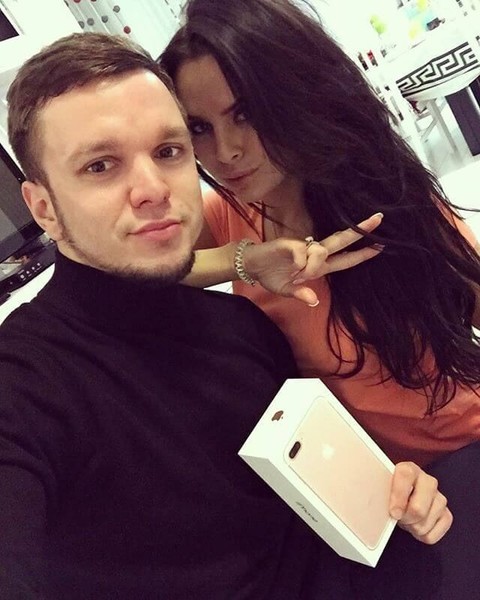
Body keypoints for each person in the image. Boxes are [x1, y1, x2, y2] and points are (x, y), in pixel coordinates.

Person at [0, 31, 450, 599]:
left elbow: (324, 479)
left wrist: (397, 490)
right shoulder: (27, 381)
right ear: (43, 209)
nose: (152, 189)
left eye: (168, 152)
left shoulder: (243, 324)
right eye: (100, 165)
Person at [160, 0, 480, 469]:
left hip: (462, 448)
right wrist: (241, 260)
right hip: (370, 482)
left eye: (245, 113)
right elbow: (153, 272)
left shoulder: (382, 203)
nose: (225, 152)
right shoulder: (228, 213)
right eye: (200, 127)